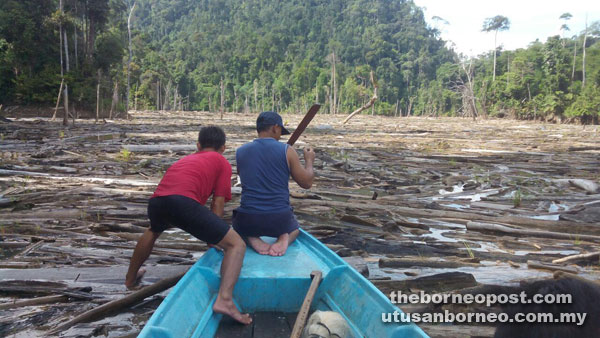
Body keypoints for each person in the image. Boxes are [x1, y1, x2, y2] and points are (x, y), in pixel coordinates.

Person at [124, 126, 252, 325]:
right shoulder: (221, 161)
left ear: (198, 145)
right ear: (223, 147)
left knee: (154, 230)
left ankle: (130, 279)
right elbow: (217, 203)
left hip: (157, 201)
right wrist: (214, 239)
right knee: (236, 245)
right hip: (182, 202)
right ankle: (225, 300)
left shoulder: (185, 159)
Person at [233, 111, 315, 256]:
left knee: (238, 226)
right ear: (275, 128)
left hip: (249, 218)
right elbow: (307, 183)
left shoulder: (240, 151)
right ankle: (285, 237)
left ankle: (251, 237)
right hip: (279, 218)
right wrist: (309, 160)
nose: (280, 136)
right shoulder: (287, 151)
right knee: (295, 229)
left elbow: (243, 176)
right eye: (280, 132)